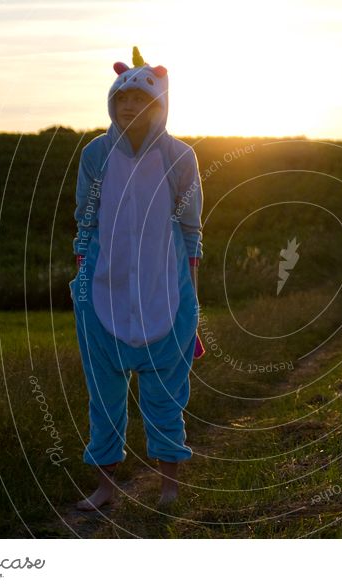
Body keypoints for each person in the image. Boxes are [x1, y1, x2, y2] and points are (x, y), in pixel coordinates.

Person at [69, 46, 205, 511]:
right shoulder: (95, 154)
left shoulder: (179, 157)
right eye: (122, 97)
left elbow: (191, 230)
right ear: (112, 102)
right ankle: (106, 488)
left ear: (159, 105)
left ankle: (169, 486)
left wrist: (191, 300)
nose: (129, 106)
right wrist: (84, 276)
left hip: (165, 292)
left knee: (165, 396)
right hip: (102, 294)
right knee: (103, 398)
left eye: (140, 99)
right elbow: (85, 222)